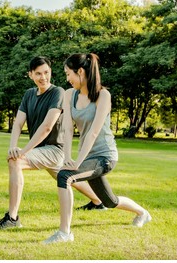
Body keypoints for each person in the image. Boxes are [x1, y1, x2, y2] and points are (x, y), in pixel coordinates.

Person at [43, 53, 152, 243]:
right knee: (110, 201)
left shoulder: (103, 96)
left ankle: (64, 233)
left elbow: (93, 133)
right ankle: (142, 212)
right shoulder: (69, 95)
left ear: (81, 72)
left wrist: (76, 163)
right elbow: (68, 128)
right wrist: (68, 157)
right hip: (88, 158)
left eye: (69, 74)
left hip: (105, 156)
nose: (67, 79)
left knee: (64, 176)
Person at [0, 56, 103, 229]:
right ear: (30, 75)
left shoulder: (58, 93)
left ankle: (12, 219)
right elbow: (18, 123)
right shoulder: (29, 95)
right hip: (44, 150)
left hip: (55, 149)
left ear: (51, 72)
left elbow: (47, 127)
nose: (43, 77)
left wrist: (23, 151)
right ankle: (98, 201)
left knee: (16, 161)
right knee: (70, 179)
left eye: (46, 72)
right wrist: (13, 145)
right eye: (38, 73)